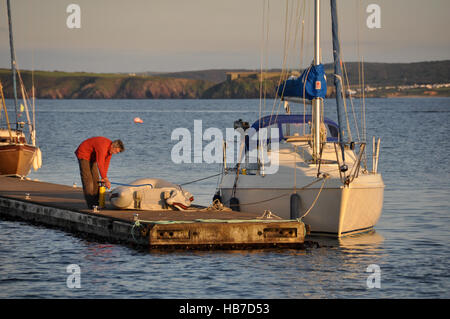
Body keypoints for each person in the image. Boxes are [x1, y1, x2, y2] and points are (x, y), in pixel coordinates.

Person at [75, 137, 124, 209]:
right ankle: (91, 204)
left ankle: (97, 202)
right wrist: (105, 178)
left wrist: (104, 178)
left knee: (96, 179)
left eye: (117, 152)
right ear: (113, 146)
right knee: (88, 180)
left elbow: (106, 163)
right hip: (83, 153)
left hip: (92, 157)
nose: (115, 153)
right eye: (116, 151)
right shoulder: (103, 146)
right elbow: (100, 163)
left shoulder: (110, 151)